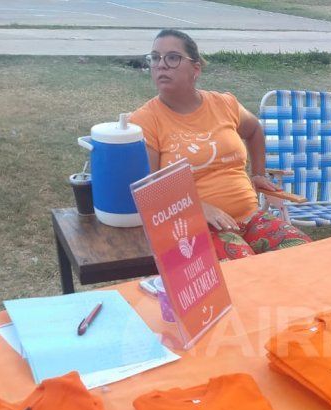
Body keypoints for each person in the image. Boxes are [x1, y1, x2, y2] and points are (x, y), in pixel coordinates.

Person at [130, 29, 311, 261]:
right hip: (196, 226)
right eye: (155, 58)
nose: (161, 65)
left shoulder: (224, 104)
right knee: (244, 268)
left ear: (195, 69)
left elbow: (254, 130)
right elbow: (151, 191)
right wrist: (197, 208)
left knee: (304, 254)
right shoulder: (146, 120)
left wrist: (258, 173)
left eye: (173, 58)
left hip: (251, 217)